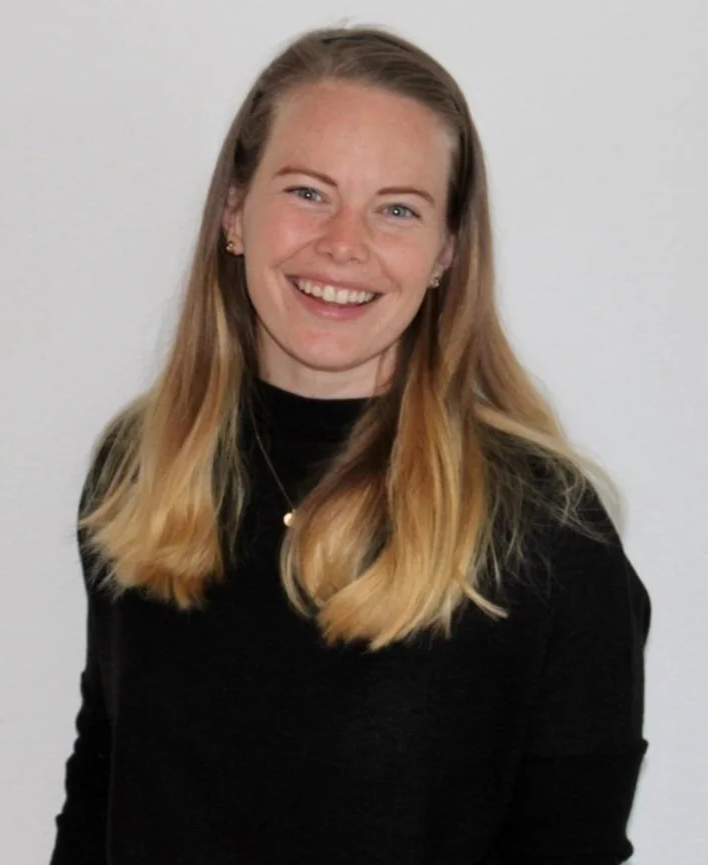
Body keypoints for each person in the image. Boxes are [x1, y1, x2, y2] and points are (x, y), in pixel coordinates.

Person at [50, 24, 651, 865]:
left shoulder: (545, 529)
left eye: (396, 209)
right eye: (306, 191)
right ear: (233, 211)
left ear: (445, 252)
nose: (343, 243)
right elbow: (101, 790)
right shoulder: (140, 467)